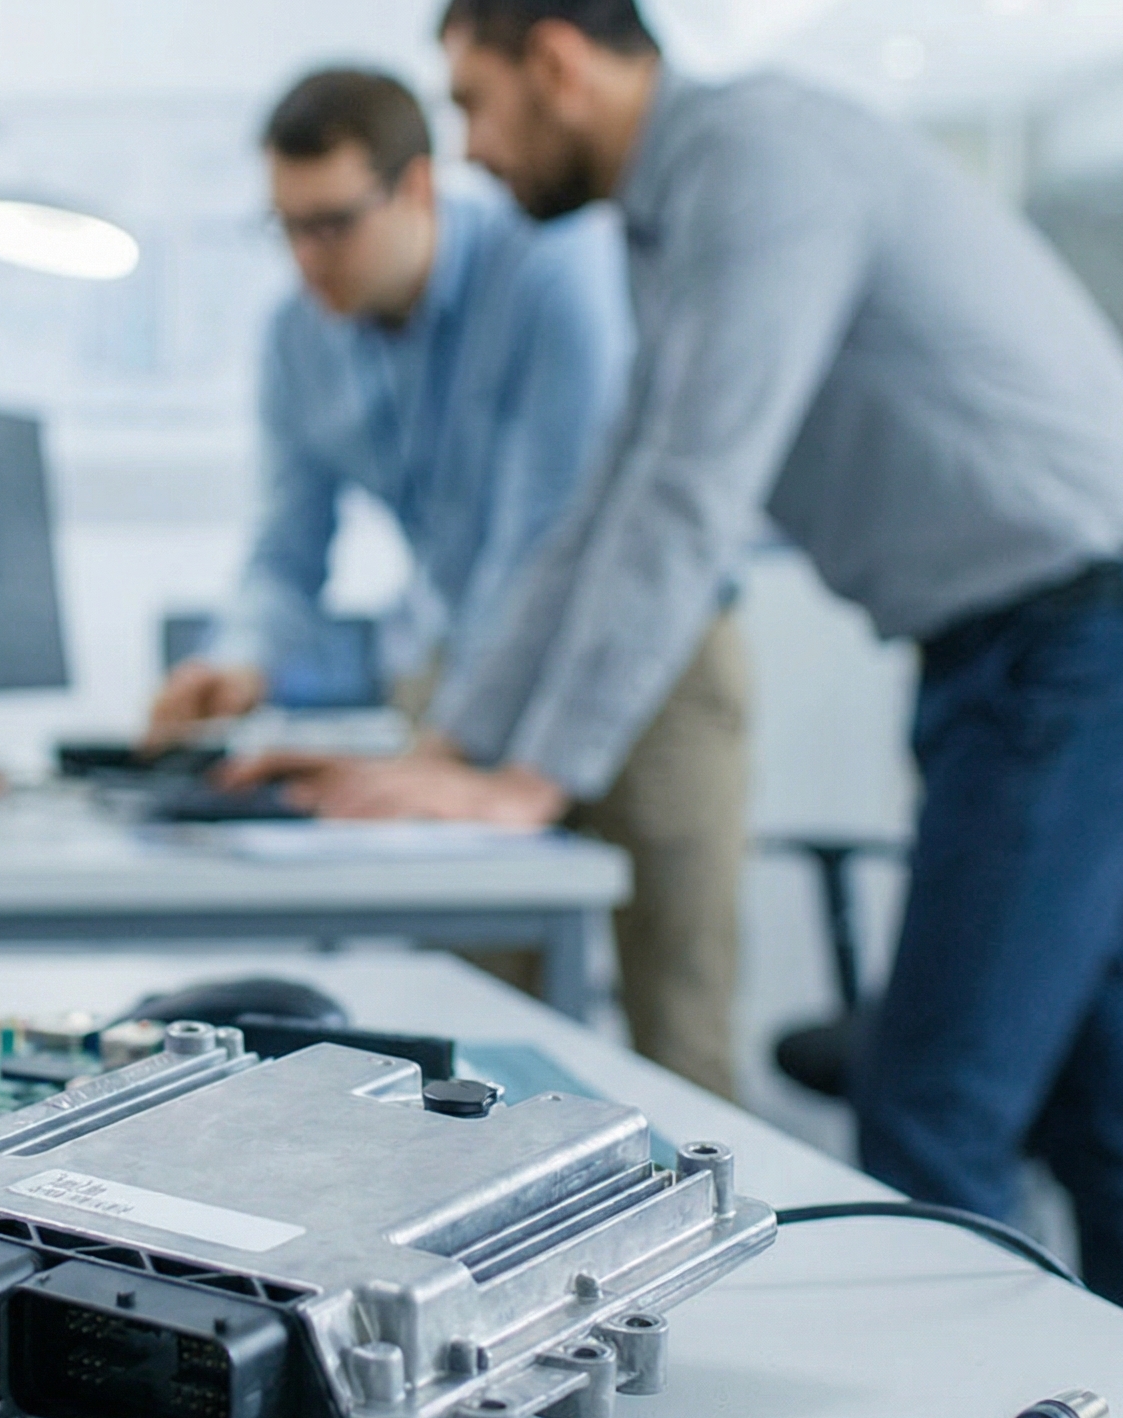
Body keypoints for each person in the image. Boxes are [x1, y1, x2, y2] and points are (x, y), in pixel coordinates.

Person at [233, 0, 1123, 1342]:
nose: (467, 146)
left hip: (1083, 641)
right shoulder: (671, 214)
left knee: (933, 1105)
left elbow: (691, 491)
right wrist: (459, 746)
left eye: (473, 102)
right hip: (1042, 642)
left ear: (558, 64)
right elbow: (607, 502)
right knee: (1108, 1111)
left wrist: (533, 782)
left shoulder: (757, 166)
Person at [150, 65, 752, 1095]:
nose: (306, 260)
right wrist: (240, 657)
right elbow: (288, 542)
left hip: (648, 658)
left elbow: (542, 543)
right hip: (467, 654)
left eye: (332, 224)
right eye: (285, 227)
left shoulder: (549, 275)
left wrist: (446, 746)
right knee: (474, 1021)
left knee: (677, 1022)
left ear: (415, 188)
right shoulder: (298, 337)